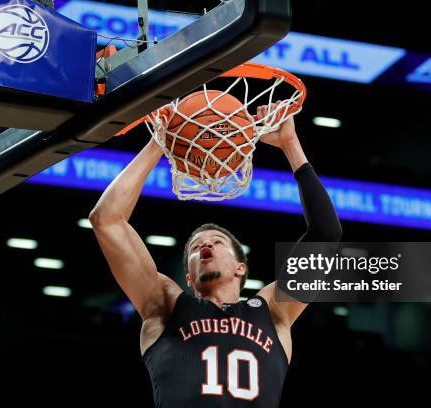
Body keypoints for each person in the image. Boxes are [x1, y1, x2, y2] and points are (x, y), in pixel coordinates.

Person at [89, 102, 342, 407]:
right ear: (189, 278)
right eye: (195, 248)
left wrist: (290, 145)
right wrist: (160, 142)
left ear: (240, 268)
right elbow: (106, 220)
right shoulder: (165, 305)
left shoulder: (274, 312)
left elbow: (326, 234)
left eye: (217, 242)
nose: (204, 246)